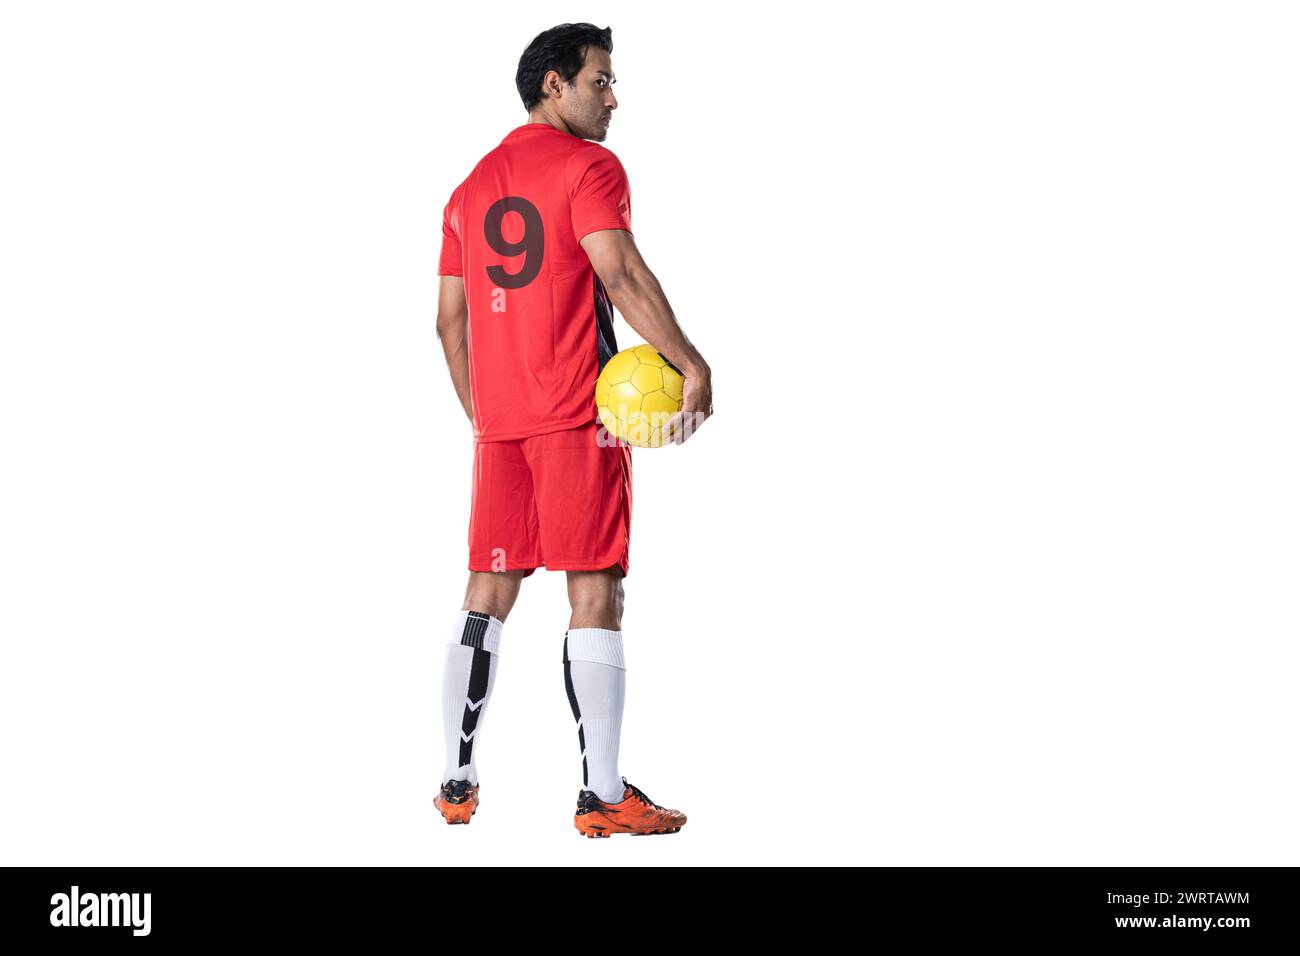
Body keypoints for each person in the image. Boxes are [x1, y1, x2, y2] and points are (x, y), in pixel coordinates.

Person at [433, 23, 713, 837]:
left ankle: (455, 782)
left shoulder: (468, 188)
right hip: (575, 413)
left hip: (504, 427)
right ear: (554, 84)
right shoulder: (589, 167)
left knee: (487, 594)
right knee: (594, 589)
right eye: (602, 81)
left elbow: (449, 322)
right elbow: (618, 270)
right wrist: (688, 361)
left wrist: (485, 417)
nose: (613, 98)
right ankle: (602, 795)